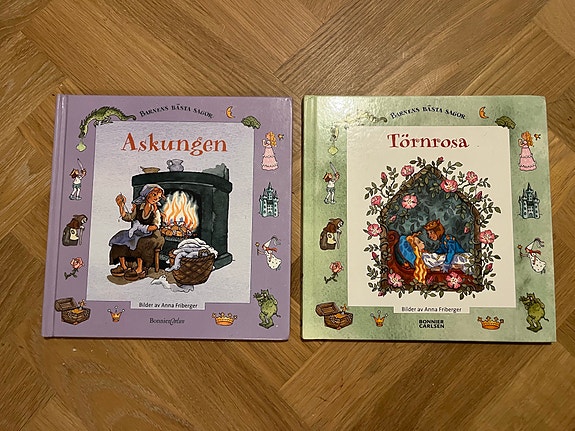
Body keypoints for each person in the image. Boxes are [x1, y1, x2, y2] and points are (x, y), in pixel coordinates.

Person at [109, 184, 165, 281]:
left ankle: (140, 268)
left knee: (141, 243)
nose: (156, 198)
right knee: (120, 237)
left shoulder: (155, 211)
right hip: (138, 232)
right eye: (154, 195)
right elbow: (129, 217)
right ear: (147, 194)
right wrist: (121, 206)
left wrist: (143, 227)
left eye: (159, 197)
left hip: (153, 234)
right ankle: (123, 266)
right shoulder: (139, 207)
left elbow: (156, 226)